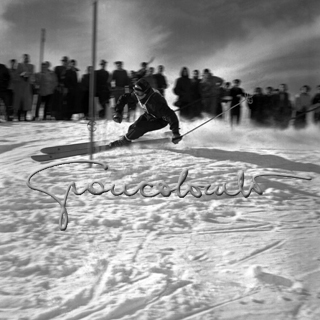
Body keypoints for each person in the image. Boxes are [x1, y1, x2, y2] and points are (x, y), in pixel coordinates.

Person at [109, 78, 182, 147]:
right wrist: (118, 111)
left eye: (139, 93)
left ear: (145, 92)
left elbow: (171, 115)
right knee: (132, 128)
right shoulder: (138, 94)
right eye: (135, 91)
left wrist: (175, 133)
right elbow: (124, 98)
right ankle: (130, 136)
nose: (136, 95)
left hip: (160, 120)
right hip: (149, 114)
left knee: (139, 127)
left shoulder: (155, 102)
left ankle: (124, 141)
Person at [13, 54, 35, 121]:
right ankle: (19, 117)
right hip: (20, 87)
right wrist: (21, 75)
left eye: (27, 58)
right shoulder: (20, 65)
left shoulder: (31, 66)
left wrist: (28, 77)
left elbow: (32, 76)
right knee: (20, 102)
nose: (26, 59)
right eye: (25, 58)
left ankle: (25, 117)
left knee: (26, 103)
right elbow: (16, 76)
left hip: (26, 87)